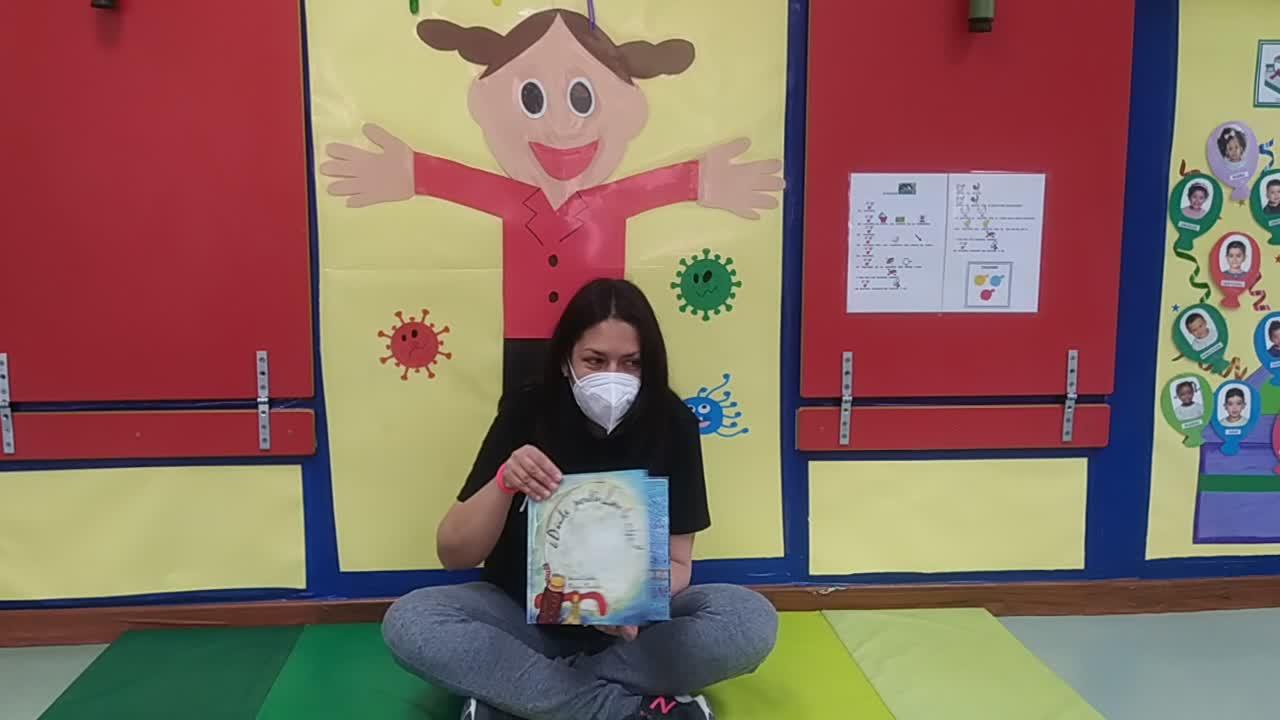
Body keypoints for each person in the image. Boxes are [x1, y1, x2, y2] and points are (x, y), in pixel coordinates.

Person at [320, 9, 784, 394]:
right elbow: (462, 183)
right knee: (521, 433)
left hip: (597, 348)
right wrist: (411, 172)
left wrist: (703, 179)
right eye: (532, 98)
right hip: (525, 342)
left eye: (582, 98)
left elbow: (653, 187)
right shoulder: (514, 198)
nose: (562, 126)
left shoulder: (608, 201)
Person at [381, 279, 778, 720]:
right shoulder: (527, 410)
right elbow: (454, 554)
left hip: (629, 633)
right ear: (566, 359)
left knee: (747, 619)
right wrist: (505, 481)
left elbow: (679, 562)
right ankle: (632, 710)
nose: (613, 376)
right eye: (595, 360)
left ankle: (521, 696)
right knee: (412, 620)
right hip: (523, 619)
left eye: (631, 363)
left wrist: (623, 602)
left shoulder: (674, 423)